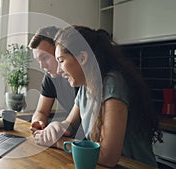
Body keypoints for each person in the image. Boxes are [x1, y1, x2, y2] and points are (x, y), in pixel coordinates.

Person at [33, 25, 163, 167]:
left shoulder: (113, 84)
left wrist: (59, 142)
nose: (59, 69)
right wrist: (56, 127)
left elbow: (107, 156)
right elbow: (69, 125)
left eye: (61, 61)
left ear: (82, 57)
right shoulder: (85, 87)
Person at [28, 26, 84, 139]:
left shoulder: (81, 78)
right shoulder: (50, 78)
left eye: (45, 58)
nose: (42, 66)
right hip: (73, 140)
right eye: (38, 61)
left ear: (59, 49)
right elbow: (41, 112)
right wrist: (38, 121)